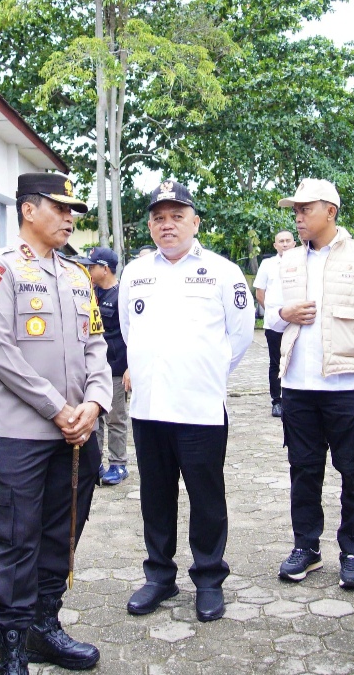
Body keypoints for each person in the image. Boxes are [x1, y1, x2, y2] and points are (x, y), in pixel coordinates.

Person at [0, 173, 111, 675]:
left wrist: (93, 404)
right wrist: (57, 408)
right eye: (61, 207)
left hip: (78, 432)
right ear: (29, 210)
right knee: (18, 536)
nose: (71, 218)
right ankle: (11, 645)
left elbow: (98, 346)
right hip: (23, 433)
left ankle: (44, 628)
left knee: (62, 531)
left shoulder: (76, 275)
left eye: (74, 210)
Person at [120, 179, 253, 624]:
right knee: (155, 497)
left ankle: (209, 578)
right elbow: (128, 331)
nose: (167, 224)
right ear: (151, 226)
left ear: (195, 222)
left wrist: (206, 371)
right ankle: (159, 575)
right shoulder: (136, 272)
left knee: (206, 497)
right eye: (159, 217)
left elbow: (239, 336)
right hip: (149, 408)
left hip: (200, 407)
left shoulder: (222, 271)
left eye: (177, 216)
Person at [265, 178, 354, 591]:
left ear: (331, 212)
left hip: (348, 385)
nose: (298, 217)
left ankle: (353, 552)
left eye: (306, 209)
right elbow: (269, 317)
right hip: (299, 387)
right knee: (304, 470)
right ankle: (307, 547)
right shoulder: (287, 260)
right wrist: (285, 311)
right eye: (296, 210)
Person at [78, 246, 130, 485]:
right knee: (93, 417)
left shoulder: (122, 296)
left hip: (116, 367)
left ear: (105, 268)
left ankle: (118, 464)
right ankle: (94, 463)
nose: (88, 270)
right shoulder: (91, 292)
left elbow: (131, 333)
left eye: (92, 266)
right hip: (93, 368)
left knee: (116, 417)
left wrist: (130, 367)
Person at [253, 230, 296, 418]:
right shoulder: (267, 265)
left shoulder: (301, 262)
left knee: (296, 360)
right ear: (275, 245)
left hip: (297, 322)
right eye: (281, 241)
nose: (285, 244)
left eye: (288, 241)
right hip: (274, 323)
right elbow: (260, 293)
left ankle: (294, 398)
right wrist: (273, 313)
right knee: (276, 362)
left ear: (294, 243)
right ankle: (277, 401)